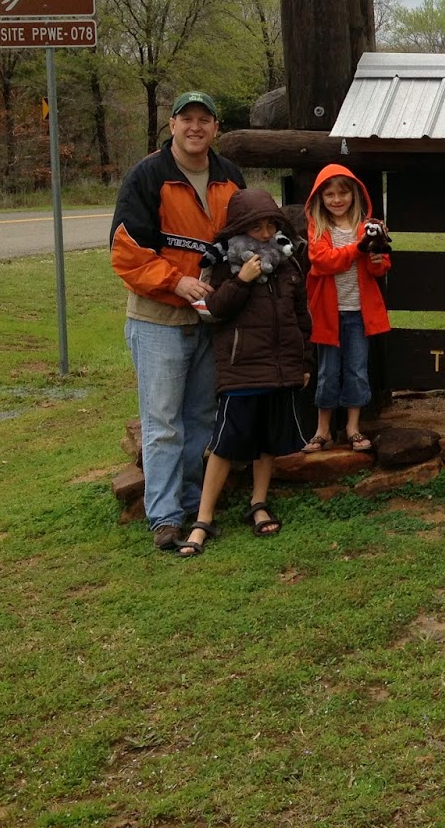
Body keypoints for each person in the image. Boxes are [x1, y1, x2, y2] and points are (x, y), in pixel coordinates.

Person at [110, 91, 244, 553]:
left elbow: (241, 241)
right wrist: (177, 283)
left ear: (215, 128)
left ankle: (193, 506)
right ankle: (164, 517)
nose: (195, 127)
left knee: (201, 417)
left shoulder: (229, 176)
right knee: (163, 421)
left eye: (204, 120)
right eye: (186, 119)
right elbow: (127, 253)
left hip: (211, 320)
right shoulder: (149, 176)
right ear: (172, 125)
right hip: (159, 320)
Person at [178, 189, 313, 557]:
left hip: (280, 368)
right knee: (225, 444)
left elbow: (301, 319)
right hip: (241, 370)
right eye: (256, 226)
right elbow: (213, 309)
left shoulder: (289, 264)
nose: (266, 232)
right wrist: (243, 280)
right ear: (240, 227)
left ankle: (258, 502)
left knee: (266, 442)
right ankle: (203, 519)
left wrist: (303, 363)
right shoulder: (224, 263)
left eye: (271, 224)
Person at [302, 164, 391, 452]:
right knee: (327, 372)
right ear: (319, 198)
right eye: (329, 194)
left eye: (342, 193)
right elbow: (323, 261)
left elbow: (380, 266)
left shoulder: (366, 227)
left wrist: (376, 259)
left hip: (358, 312)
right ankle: (323, 429)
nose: (337, 200)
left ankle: (353, 427)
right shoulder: (319, 228)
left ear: (354, 194)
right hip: (328, 314)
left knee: (356, 370)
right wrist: (358, 249)